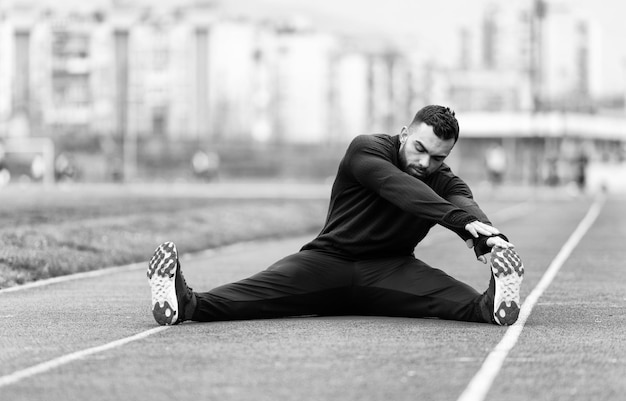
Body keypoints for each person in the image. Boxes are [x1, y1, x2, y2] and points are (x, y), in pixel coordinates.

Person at [147, 105, 524, 327]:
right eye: (420, 149)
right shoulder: (367, 150)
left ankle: (494, 303)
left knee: (462, 304)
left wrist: (490, 238)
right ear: (404, 133)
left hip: (392, 270)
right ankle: (183, 302)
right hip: (326, 262)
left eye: (438, 158)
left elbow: (467, 203)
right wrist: (458, 222)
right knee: (242, 297)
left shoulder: (444, 182)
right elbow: (400, 190)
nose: (425, 163)